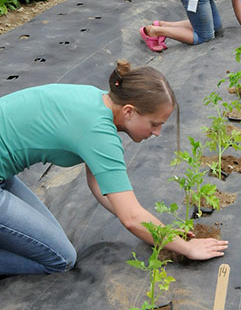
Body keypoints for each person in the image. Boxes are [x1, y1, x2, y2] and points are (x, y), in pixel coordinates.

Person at [0, 60, 228, 275]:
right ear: (129, 111)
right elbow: (131, 218)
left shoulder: (97, 100)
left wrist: (164, 236)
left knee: (46, 240)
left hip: (4, 174)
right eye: (154, 124)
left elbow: (99, 185)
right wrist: (186, 248)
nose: (157, 133)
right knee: (60, 258)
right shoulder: (98, 132)